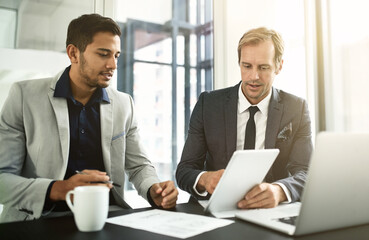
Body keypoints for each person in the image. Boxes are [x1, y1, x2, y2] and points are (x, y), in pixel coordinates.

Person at [0, 13, 178, 223]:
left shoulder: (124, 104)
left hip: (107, 217)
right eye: (104, 54)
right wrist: (58, 189)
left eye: (116, 55)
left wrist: (153, 188)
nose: (113, 65)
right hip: (40, 220)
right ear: (74, 53)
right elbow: (3, 178)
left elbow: (139, 166)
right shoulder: (24, 96)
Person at [176, 27, 313, 209]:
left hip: (270, 211)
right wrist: (205, 179)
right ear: (239, 63)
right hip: (213, 210)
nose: (253, 77)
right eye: (246, 66)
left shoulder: (296, 108)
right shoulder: (208, 104)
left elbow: (306, 172)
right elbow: (184, 171)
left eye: (263, 68)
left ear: (279, 66)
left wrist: (280, 191)